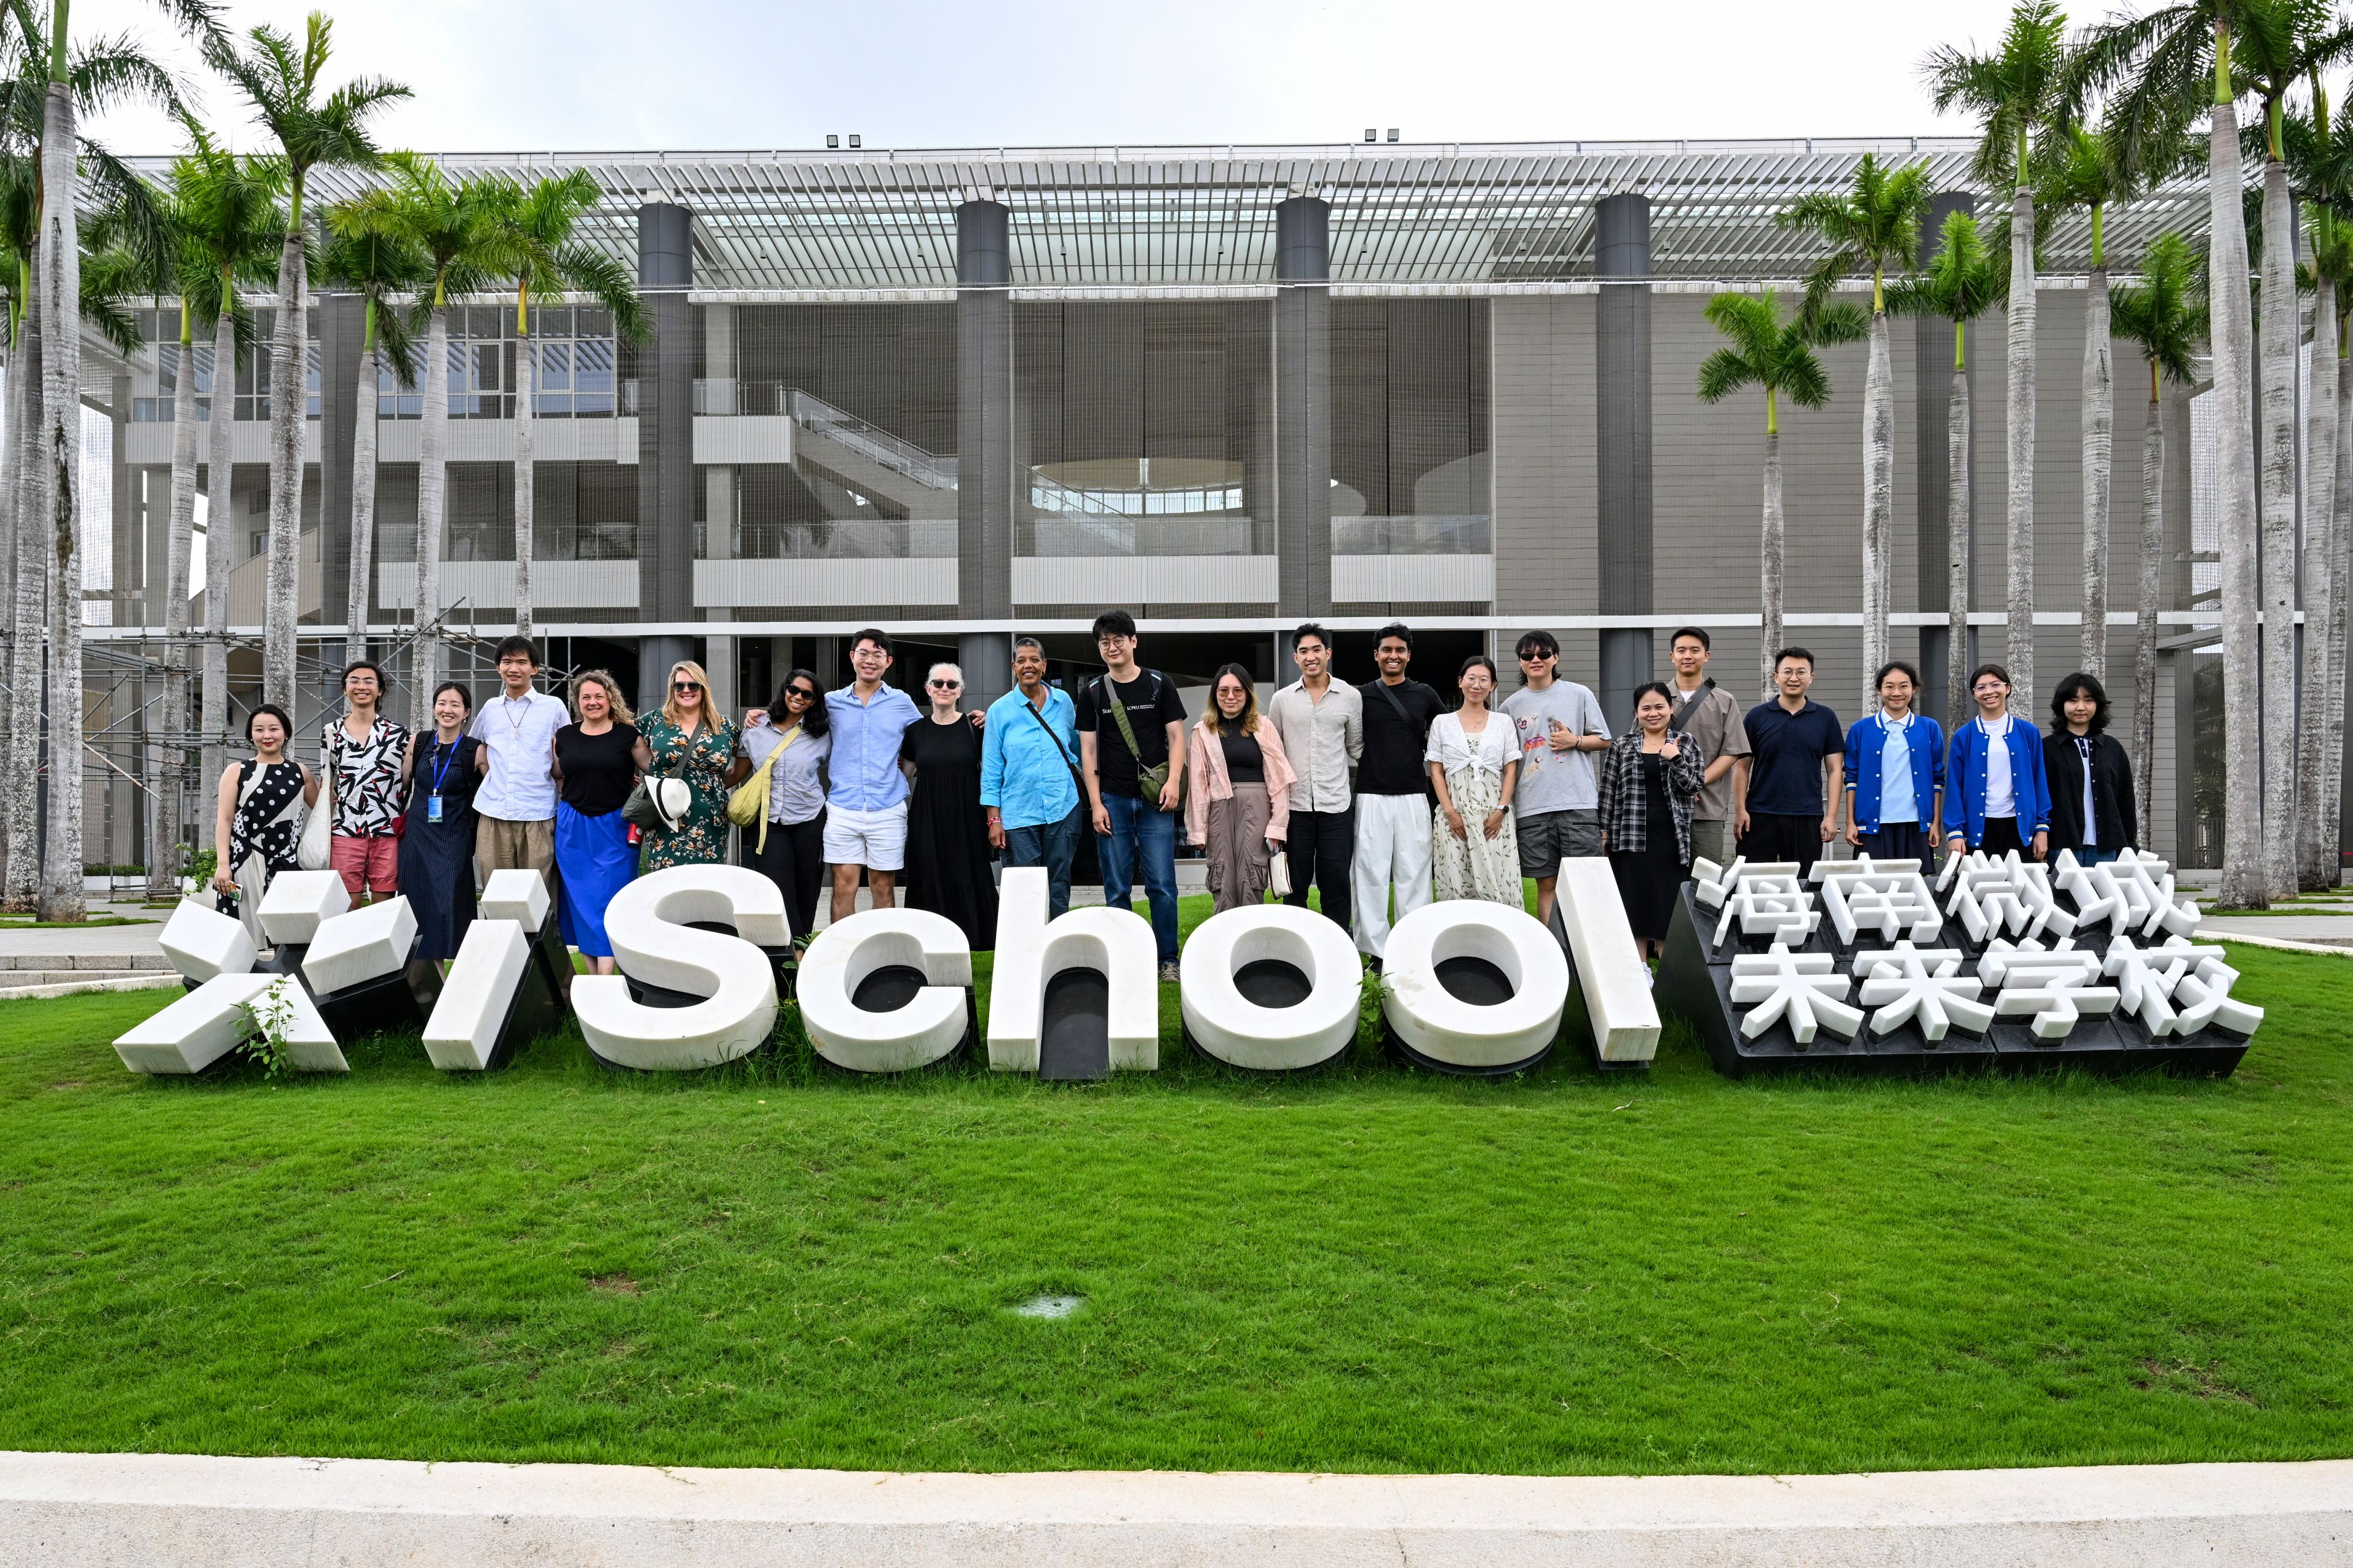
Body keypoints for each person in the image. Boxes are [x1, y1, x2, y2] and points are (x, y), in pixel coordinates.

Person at [1077, 610, 1190, 982]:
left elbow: (1177, 737)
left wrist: (1174, 781)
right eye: (1105, 642)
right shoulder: (1093, 692)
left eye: (1118, 640)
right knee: (1117, 887)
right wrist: (1096, 803)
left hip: (1156, 800)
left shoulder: (1159, 684)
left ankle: (1168, 960)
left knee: (1162, 885)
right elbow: (1088, 751)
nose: (1112, 648)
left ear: (1133, 642)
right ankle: (1125, 959)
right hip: (1112, 799)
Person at [1499, 629, 1609, 925]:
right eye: (1528, 655)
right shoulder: (1509, 707)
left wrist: (1575, 740)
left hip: (1577, 802)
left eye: (1543, 654)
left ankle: (1584, 947)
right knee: (1546, 884)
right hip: (1532, 806)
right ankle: (1554, 946)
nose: (1536, 660)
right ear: (1520, 662)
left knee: (1583, 881)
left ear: (1555, 658)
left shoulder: (1579, 694)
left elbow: (1604, 740)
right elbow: (1506, 761)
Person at [1353, 622, 1447, 963]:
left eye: (1400, 650)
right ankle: (1376, 954)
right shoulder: (1359, 696)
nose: (1393, 655)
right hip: (1371, 795)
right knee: (1370, 875)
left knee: (1415, 873)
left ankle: (1412, 949)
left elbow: (1448, 736)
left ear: (1409, 655)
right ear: (1376, 655)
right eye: (1387, 650)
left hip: (1413, 794)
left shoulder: (1425, 694)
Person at [1599, 681, 1705, 961]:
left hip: (1671, 840)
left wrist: (1676, 759)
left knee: (1667, 908)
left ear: (1671, 709)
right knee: (1634, 906)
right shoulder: (1622, 745)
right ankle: (1640, 971)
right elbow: (1608, 790)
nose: (1653, 713)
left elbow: (1694, 786)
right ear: (1637, 712)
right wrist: (1603, 832)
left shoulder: (1686, 743)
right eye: (1646, 708)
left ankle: (1667, 972)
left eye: (1660, 707)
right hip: (1630, 838)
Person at [824, 628, 924, 924]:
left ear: (888, 661)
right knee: (843, 887)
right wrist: (759, 716)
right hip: (843, 806)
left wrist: (972, 721)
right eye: (864, 653)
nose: (870, 660)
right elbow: (795, 720)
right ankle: (844, 947)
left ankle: (883, 949)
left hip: (888, 807)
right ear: (852, 656)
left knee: (883, 886)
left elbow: (928, 737)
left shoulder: (901, 701)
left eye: (878, 655)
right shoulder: (831, 702)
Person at [1266, 623, 1361, 930]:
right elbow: (1273, 754)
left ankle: (1339, 944)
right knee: (1295, 885)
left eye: (1316, 650)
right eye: (1303, 651)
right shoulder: (1282, 700)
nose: (1311, 657)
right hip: (1295, 808)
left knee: (1337, 882)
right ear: (1296, 658)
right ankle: (1299, 944)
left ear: (1328, 653)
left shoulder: (1350, 696)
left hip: (1336, 807)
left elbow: (1356, 747)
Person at [982, 636, 1084, 920]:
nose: (1029, 666)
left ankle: (1058, 942)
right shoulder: (999, 711)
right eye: (1022, 661)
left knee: (1059, 883)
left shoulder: (1063, 703)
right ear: (1014, 667)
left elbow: (1078, 750)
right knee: (1024, 888)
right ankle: (1027, 944)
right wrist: (994, 819)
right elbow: (991, 769)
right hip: (1018, 814)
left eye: (1035, 660)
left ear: (1044, 665)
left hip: (1063, 807)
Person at [899, 662, 1000, 950]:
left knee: (969, 874)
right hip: (927, 818)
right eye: (939, 683)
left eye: (951, 684)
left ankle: (976, 940)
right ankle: (930, 942)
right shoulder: (915, 731)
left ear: (960, 692)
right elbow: (903, 775)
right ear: (928, 689)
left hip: (967, 816)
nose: (945, 688)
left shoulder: (976, 727)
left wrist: (994, 818)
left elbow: (993, 772)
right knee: (929, 875)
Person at [1185, 662, 1296, 914]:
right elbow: (1198, 786)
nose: (1231, 697)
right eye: (1224, 691)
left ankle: (1252, 935)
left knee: (1252, 873)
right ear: (1215, 694)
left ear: (1247, 693)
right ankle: (1224, 935)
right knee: (1222, 873)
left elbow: (1278, 781)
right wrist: (1198, 830)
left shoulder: (1264, 727)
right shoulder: (1202, 732)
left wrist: (1278, 825)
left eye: (1238, 690)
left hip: (1257, 809)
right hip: (1218, 810)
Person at [211, 703, 319, 952]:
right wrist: (223, 865)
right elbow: (224, 820)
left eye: (274, 729)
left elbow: (323, 814)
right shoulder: (237, 771)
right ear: (251, 735)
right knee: (242, 936)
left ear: (286, 733)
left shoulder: (300, 772)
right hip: (245, 863)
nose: (267, 735)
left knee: (290, 937)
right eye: (259, 730)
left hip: (288, 865)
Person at [552, 670, 640, 974]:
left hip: (616, 828)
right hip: (573, 829)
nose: (593, 702)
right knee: (580, 902)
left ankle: (605, 979)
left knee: (610, 901)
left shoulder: (628, 735)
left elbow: (655, 770)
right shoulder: (564, 736)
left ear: (610, 699)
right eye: (586, 697)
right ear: (577, 702)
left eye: (599, 696)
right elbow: (557, 773)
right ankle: (595, 979)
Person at [739, 667, 832, 943]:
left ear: (814, 701)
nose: (798, 697)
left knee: (808, 886)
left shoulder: (822, 734)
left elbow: (845, 764)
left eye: (807, 694)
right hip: (768, 821)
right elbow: (736, 772)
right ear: (785, 689)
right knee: (778, 888)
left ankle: (800, 943)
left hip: (810, 817)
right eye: (794, 690)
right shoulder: (756, 728)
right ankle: (793, 951)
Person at [470, 635, 568, 887]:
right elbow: (474, 748)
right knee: (496, 892)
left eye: (522, 662)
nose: (514, 668)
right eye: (507, 662)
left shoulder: (553, 707)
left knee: (538, 893)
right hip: (494, 812)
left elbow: (568, 755)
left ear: (535, 669)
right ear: (498, 668)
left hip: (538, 812)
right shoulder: (490, 708)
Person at [1737, 647, 1845, 876]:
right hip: (1759, 815)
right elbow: (1742, 767)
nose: (1794, 678)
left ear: (1811, 677)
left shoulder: (1826, 717)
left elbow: (1835, 770)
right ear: (1776, 677)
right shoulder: (1756, 716)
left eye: (1801, 672)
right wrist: (1740, 810)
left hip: (1807, 816)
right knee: (1750, 883)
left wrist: (1831, 816)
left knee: (1803, 884)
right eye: (1787, 672)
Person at [1426, 652, 1522, 907]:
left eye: (1483, 680)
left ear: (1493, 685)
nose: (1476, 685)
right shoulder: (1442, 723)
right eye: (1471, 678)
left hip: (1494, 816)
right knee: (1458, 883)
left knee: (1502, 881)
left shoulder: (1503, 722)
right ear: (1460, 681)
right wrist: (1450, 812)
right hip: (1454, 817)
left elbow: (1511, 769)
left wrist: (1501, 810)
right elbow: (1436, 771)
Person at [398, 682, 482, 964]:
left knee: (451, 901)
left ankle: (460, 965)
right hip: (417, 834)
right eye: (442, 703)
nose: (448, 710)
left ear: (466, 713)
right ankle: (422, 974)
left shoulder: (475, 750)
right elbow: (403, 784)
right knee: (416, 900)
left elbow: (491, 790)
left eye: (456, 705)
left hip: (454, 834)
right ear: (434, 708)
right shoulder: (419, 742)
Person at [633, 659, 745, 870]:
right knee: (666, 880)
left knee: (706, 880)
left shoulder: (724, 726)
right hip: (666, 816)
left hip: (709, 819)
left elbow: (745, 758)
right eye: (679, 685)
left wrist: (715, 786)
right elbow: (623, 738)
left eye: (693, 685)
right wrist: (653, 776)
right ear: (672, 689)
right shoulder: (655, 720)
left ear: (704, 689)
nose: (686, 690)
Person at [319, 659, 408, 903]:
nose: (361, 686)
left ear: (380, 690)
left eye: (369, 681)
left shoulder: (398, 734)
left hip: (387, 827)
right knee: (346, 902)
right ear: (345, 689)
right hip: (345, 827)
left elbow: (406, 780)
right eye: (354, 681)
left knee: (384, 902)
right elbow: (327, 781)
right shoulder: (331, 733)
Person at [1663, 627, 1752, 869]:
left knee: (1704, 880)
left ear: (1707, 656)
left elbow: (1731, 753)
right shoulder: (1656, 699)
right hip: (1662, 806)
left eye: (1695, 650)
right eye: (1681, 650)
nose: (1688, 656)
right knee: (1663, 880)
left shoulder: (1724, 701)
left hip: (1707, 808)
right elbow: (1641, 747)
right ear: (1672, 656)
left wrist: (1695, 783)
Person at [1943, 662, 2051, 861]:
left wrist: (2041, 828)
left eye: (1995, 685)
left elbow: (2039, 780)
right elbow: (1954, 786)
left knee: (2018, 880)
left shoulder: (2028, 732)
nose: (1989, 692)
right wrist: (1955, 831)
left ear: (2007, 688)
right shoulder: (1964, 736)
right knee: (1978, 881)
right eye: (1981, 687)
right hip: (1978, 829)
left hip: (2019, 827)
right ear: (1974, 694)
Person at [1841, 661, 1945, 864]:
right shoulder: (1860, 729)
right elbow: (1852, 778)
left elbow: (1937, 778)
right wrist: (1850, 822)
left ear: (1913, 689)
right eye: (1889, 686)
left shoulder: (1929, 728)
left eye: (1904, 686)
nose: (1897, 692)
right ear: (1880, 690)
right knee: (1873, 881)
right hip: (1872, 824)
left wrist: (1935, 822)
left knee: (1914, 882)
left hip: (1916, 823)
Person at [2043, 671, 2136, 866]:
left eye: (2088, 700)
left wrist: (2129, 843)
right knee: (2064, 887)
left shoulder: (2113, 748)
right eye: (2073, 700)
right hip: (2062, 844)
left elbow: (2125, 799)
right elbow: (2040, 799)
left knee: (2103, 888)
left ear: (2098, 705)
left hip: (2106, 846)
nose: (2080, 707)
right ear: (2061, 705)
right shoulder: (2047, 748)